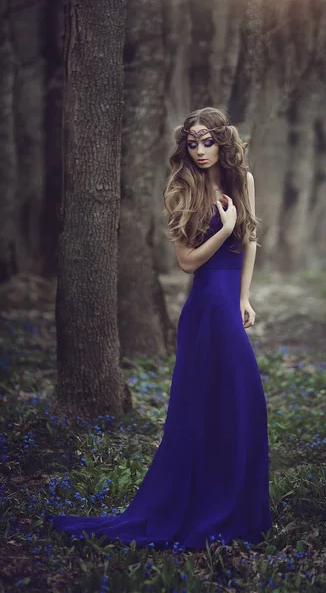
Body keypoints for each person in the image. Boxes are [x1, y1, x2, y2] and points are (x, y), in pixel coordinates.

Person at [51, 107, 272, 551]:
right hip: (203, 308)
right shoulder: (182, 189)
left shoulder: (243, 181)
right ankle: (195, 505)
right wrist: (222, 227)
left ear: (223, 141)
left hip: (228, 305)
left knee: (243, 404)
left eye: (207, 141)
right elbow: (187, 262)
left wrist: (245, 297)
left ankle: (240, 507)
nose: (200, 150)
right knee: (197, 414)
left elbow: (248, 242)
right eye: (192, 143)